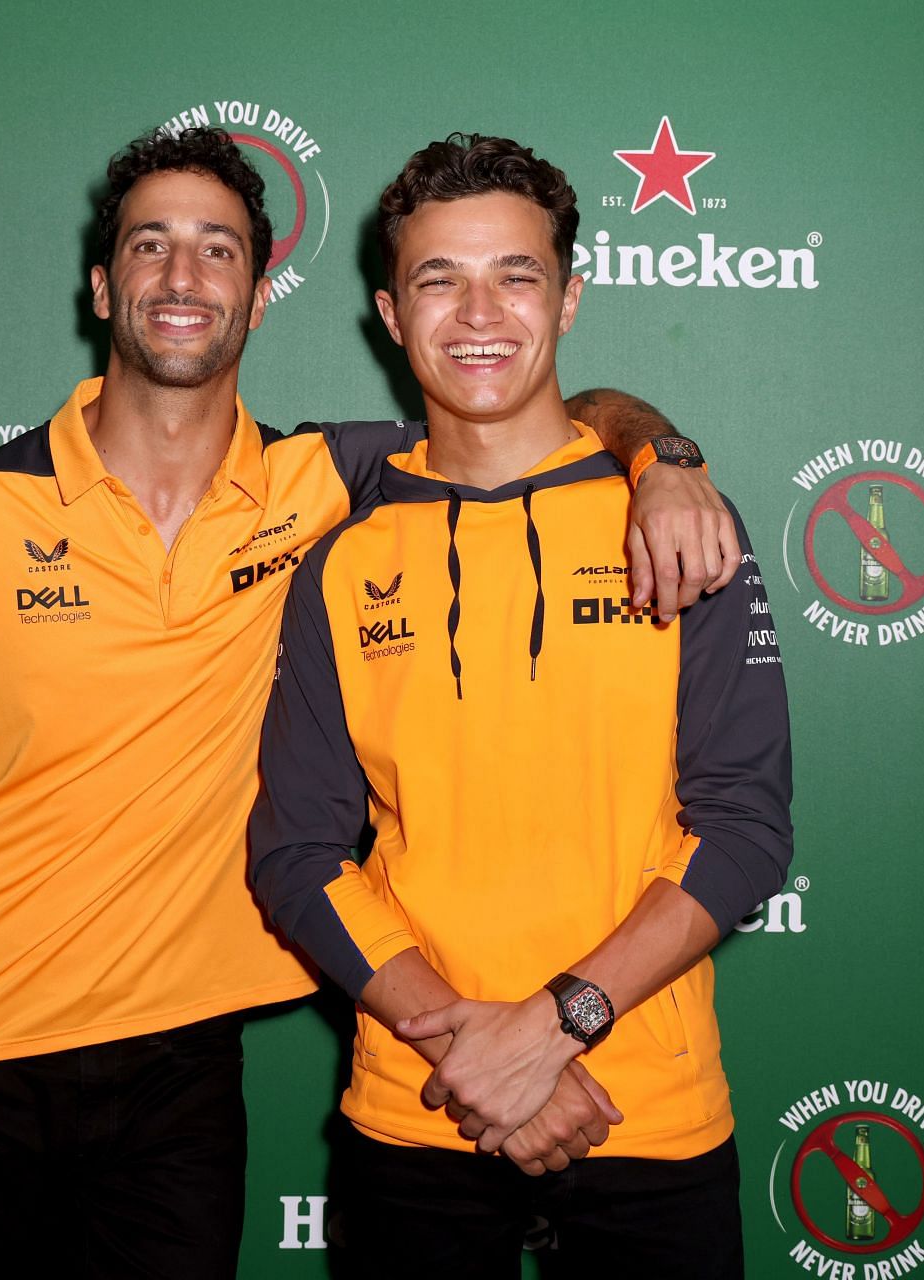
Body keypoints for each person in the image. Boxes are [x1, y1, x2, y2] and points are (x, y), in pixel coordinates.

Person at [0, 126, 734, 1277]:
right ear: (101, 282)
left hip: (182, 1062)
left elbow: (531, 407)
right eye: (151, 246)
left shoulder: (322, 483)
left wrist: (664, 454)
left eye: (217, 250)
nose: (182, 278)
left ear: (260, 296)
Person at [247, 133, 794, 1277]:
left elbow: (743, 827)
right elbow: (299, 852)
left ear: (571, 297)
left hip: (647, 1109)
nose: (478, 311)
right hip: (420, 1104)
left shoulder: (682, 521)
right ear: (391, 316)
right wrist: (478, 1056)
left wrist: (551, 1030)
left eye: (517, 273)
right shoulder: (341, 563)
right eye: (440, 278)